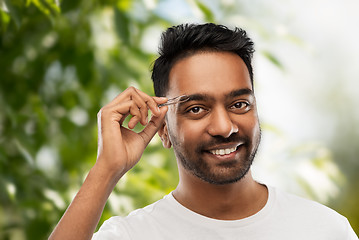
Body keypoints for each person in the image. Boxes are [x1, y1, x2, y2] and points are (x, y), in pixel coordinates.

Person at [49, 23, 358, 240]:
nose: (224, 127)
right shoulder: (133, 235)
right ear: (164, 130)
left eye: (239, 104)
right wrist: (106, 170)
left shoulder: (325, 230)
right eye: (196, 108)